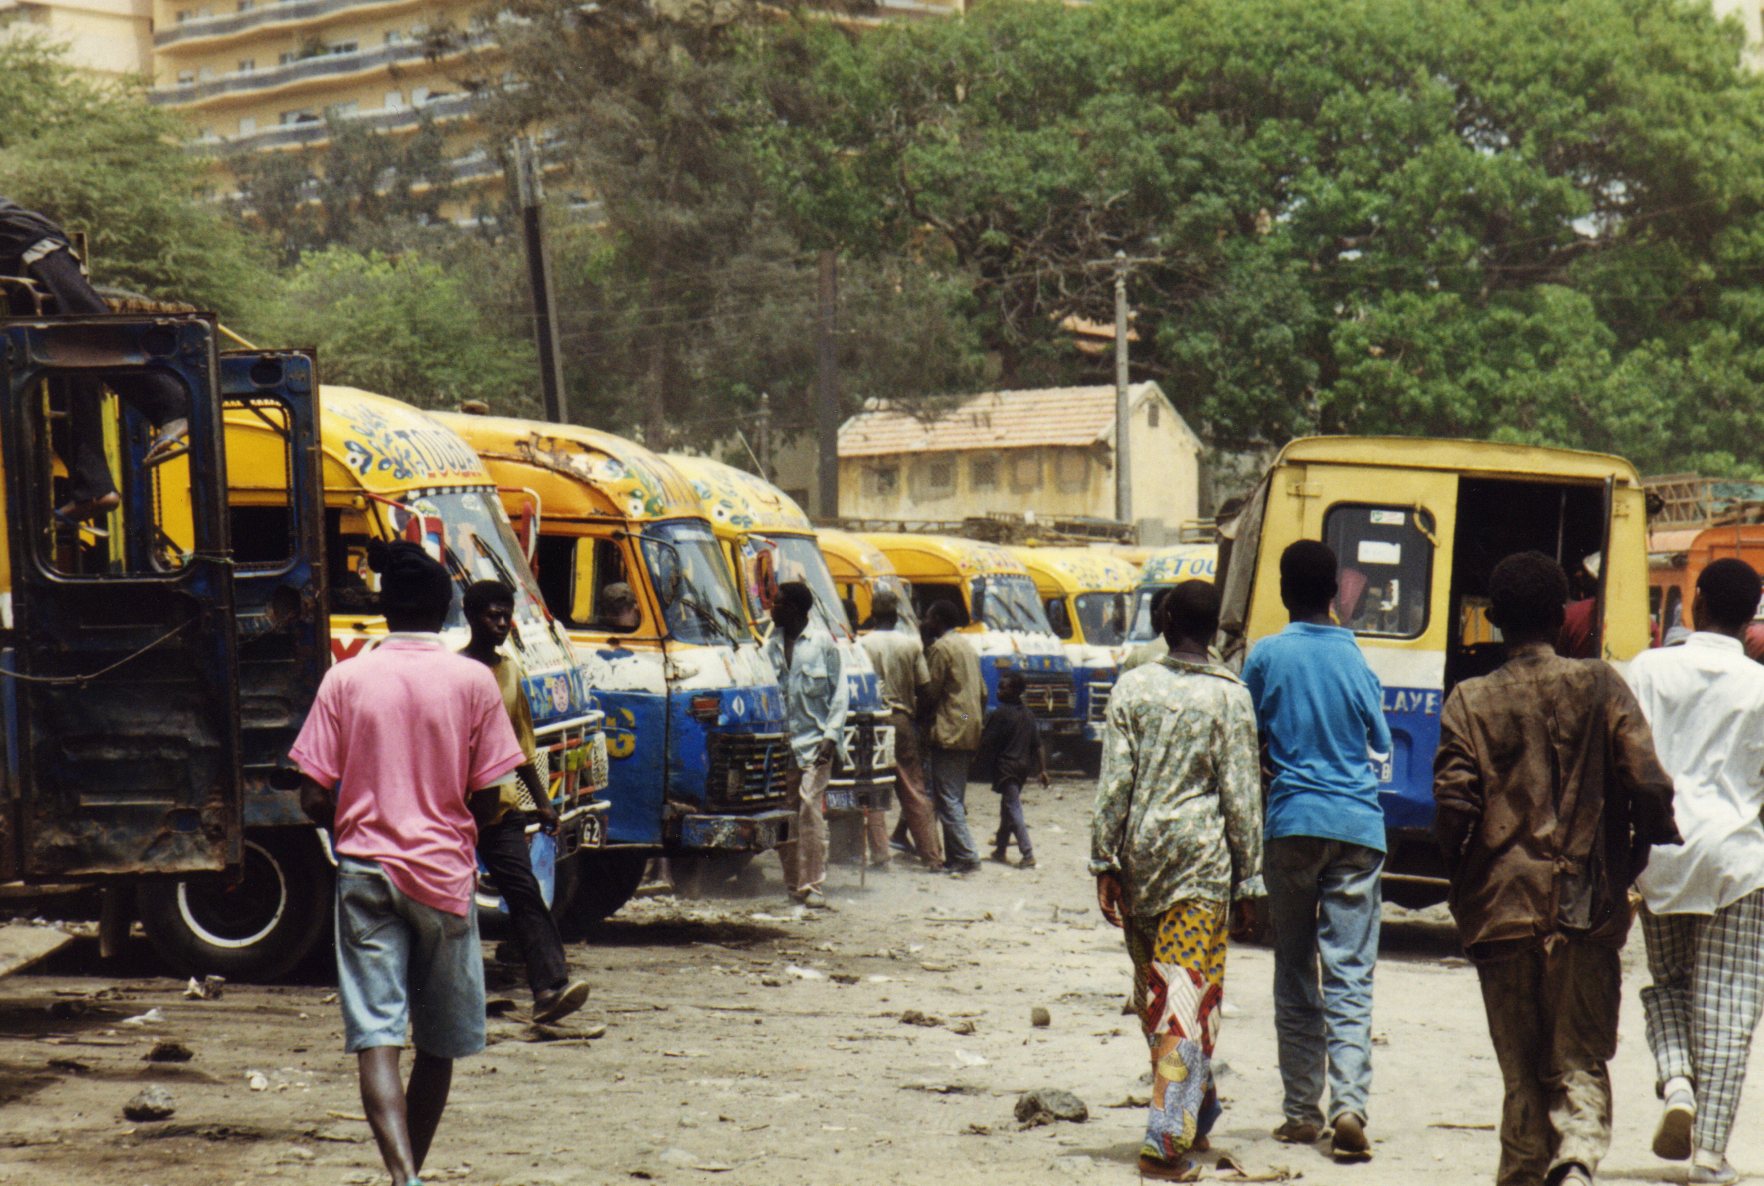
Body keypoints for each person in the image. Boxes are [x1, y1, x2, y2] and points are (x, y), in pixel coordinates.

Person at [1434, 551, 1681, 1186]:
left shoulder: (1469, 699)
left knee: (1520, 1076)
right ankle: (1575, 1156)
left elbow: (1454, 806)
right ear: (1559, 616)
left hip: (1502, 907)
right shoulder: (1600, 683)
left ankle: (1526, 1170)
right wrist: (1638, 854)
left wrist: (1462, 883)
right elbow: (1649, 784)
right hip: (1586, 909)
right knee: (1578, 1059)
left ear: (1492, 620)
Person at [289, 541, 528, 1186]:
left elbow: (312, 792)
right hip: (445, 880)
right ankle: (410, 1173)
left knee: (376, 1035)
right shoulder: (474, 682)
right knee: (440, 1044)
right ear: (448, 609)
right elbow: (490, 793)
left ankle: (403, 1177)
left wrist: (350, 814)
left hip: (366, 871)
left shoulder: (346, 677)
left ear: (384, 609)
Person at [1092, 579, 1264, 1181]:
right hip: (1201, 868)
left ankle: (1177, 1125)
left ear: (1165, 618)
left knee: (1165, 1002)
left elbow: (1113, 783)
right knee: (1178, 1001)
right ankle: (1181, 1124)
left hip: (1143, 863)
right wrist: (1249, 881)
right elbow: (1242, 797)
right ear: (1216, 629)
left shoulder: (1133, 688)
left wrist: (1105, 860)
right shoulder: (1231, 699)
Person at [1240, 540, 1389, 1161]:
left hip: (1291, 823)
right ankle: (1350, 1104)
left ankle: (1302, 1111)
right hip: (1357, 828)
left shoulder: (1266, 655)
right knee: (1350, 971)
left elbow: (1244, 734)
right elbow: (1378, 739)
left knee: (1295, 967)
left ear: (1282, 590)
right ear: (1335, 592)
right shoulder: (1354, 657)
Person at [1623, 558, 1764, 1185]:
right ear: (1752, 614)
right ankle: (1709, 1154)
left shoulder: (1649, 669)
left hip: (1661, 854)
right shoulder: (1761, 688)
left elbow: (1622, 758)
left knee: (1671, 984)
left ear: (1695, 602)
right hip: (1737, 860)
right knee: (1729, 1004)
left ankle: (1677, 1081)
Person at [0, 197, 188, 526]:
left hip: (28, 246)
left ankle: (171, 405)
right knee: (62, 370)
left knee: (90, 333)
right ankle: (93, 487)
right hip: (21, 259)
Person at [460, 580, 591, 1026]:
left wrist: (543, 803)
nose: (500, 624)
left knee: (525, 894)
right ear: (469, 616)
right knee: (452, 906)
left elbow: (520, 744)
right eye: (491, 615)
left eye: (505, 615)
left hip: (500, 807)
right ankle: (457, 998)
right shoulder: (452, 673)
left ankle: (550, 987)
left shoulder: (511, 671)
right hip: (454, 810)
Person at [765, 581, 848, 908]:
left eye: (779, 603)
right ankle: (793, 886)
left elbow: (840, 695)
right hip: (782, 746)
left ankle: (813, 885)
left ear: (797, 609)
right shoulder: (768, 646)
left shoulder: (823, 643)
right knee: (786, 814)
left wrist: (831, 738)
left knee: (810, 809)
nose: (773, 608)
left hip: (815, 745)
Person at [860, 588, 943, 872]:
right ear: (896, 616)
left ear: (872, 615)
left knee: (871, 788)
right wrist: (920, 720)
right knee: (913, 789)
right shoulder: (911, 645)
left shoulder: (862, 645)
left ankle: (881, 855)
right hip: (903, 720)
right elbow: (927, 690)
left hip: (870, 722)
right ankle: (932, 857)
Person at [918, 600, 986, 875]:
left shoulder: (941, 649)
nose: (926, 621)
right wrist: (968, 719)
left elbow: (931, 692)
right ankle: (955, 857)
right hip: (970, 722)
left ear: (937, 620)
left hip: (949, 729)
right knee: (954, 795)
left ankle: (968, 856)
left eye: (929, 616)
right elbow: (980, 694)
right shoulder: (968, 647)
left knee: (948, 799)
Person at [974, 671, 1046, 868]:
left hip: (1007, 767)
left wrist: (962, 715)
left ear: (1014, 691)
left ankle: (1027, 853)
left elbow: (982, 732)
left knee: (1013, 809)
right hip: (1023, 768)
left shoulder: (999, 713)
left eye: (1002, 688)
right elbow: (1038, 745)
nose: (998, 691)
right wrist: (1043, 770)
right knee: (1006, 809)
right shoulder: (1029, 714)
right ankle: (1000, 849)